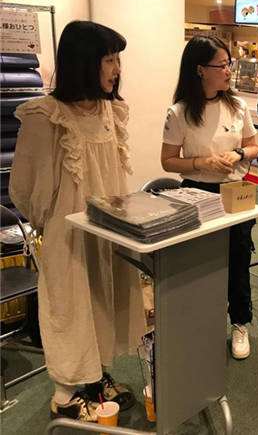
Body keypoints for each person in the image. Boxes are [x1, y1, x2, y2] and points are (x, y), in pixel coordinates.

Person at [9, 21, 145, 421]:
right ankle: (65, 394)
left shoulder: (109, 109)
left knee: (102, 300)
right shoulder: (46, 116)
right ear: (85, 62)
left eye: (117, 59)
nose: (117, 69)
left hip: (107, 230)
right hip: (67, 235)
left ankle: (95, 376)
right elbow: (25, 189)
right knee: (69, 306)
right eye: (109, 60)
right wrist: (52, 223)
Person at [161, 35, 258, 360]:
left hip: (235, 191)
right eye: (222, 66)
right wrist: (202, 162)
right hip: (196, 192)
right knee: (199, 262)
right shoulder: (180, 112)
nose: (229, 71)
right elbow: (168, 161)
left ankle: (240, 323)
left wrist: (239, 153)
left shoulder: (238, 106)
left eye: (229, 64)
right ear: (200, 70)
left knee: (238, 259)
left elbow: (254, 147)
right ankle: (200, 323)